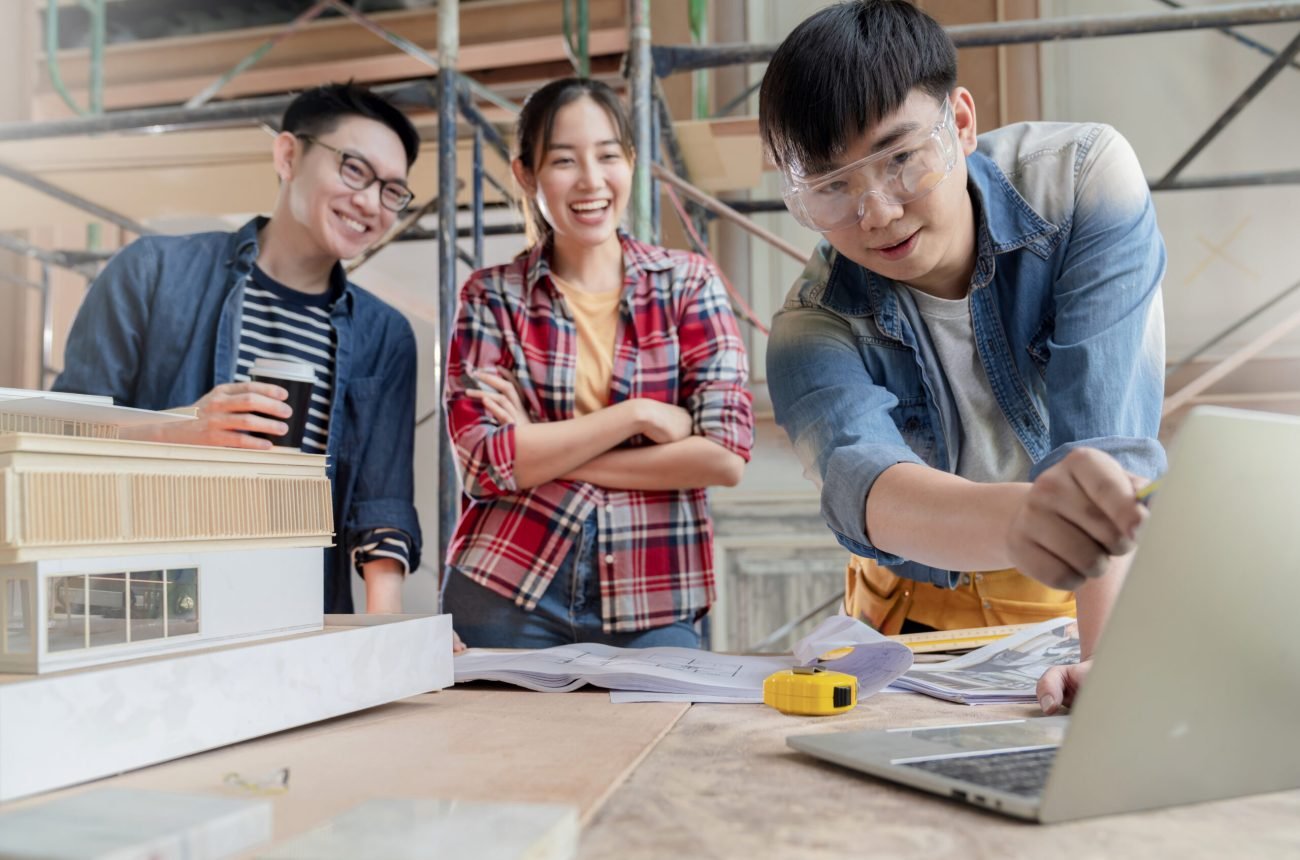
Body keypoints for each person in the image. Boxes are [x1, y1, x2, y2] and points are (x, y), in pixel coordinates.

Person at [758, 1, 1165, 712]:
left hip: (1083, 594)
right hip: (912, 624)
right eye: (832, 187)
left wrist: (1105, 661)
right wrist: (1023, 518)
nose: (877, 211)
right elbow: (868, 484)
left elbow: (1107, 449)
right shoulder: (809, 327)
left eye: (900, 158)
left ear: (962, 123)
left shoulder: (1080, 183)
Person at [54, 82, 422, 615]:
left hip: (295, 611)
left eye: (392, 191)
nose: (370, 202)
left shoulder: (385, 335)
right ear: (289, 154)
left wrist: (385, 637)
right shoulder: (155, 271)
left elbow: (380, 504)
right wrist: (182, 428)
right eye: (354, 170)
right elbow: (60, 432)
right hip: (143, 603)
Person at [441, 77, 754, 648]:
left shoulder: (687, 284)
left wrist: (539, 444)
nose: (590, 180)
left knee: (663, 736)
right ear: (527, 175)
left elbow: (724, 455)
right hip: (506, 583)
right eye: (563, 160)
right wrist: (635, 416)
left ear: (631, 162)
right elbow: (484, 464)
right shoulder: (490, 296)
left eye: (608, 156)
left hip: (656, 590)